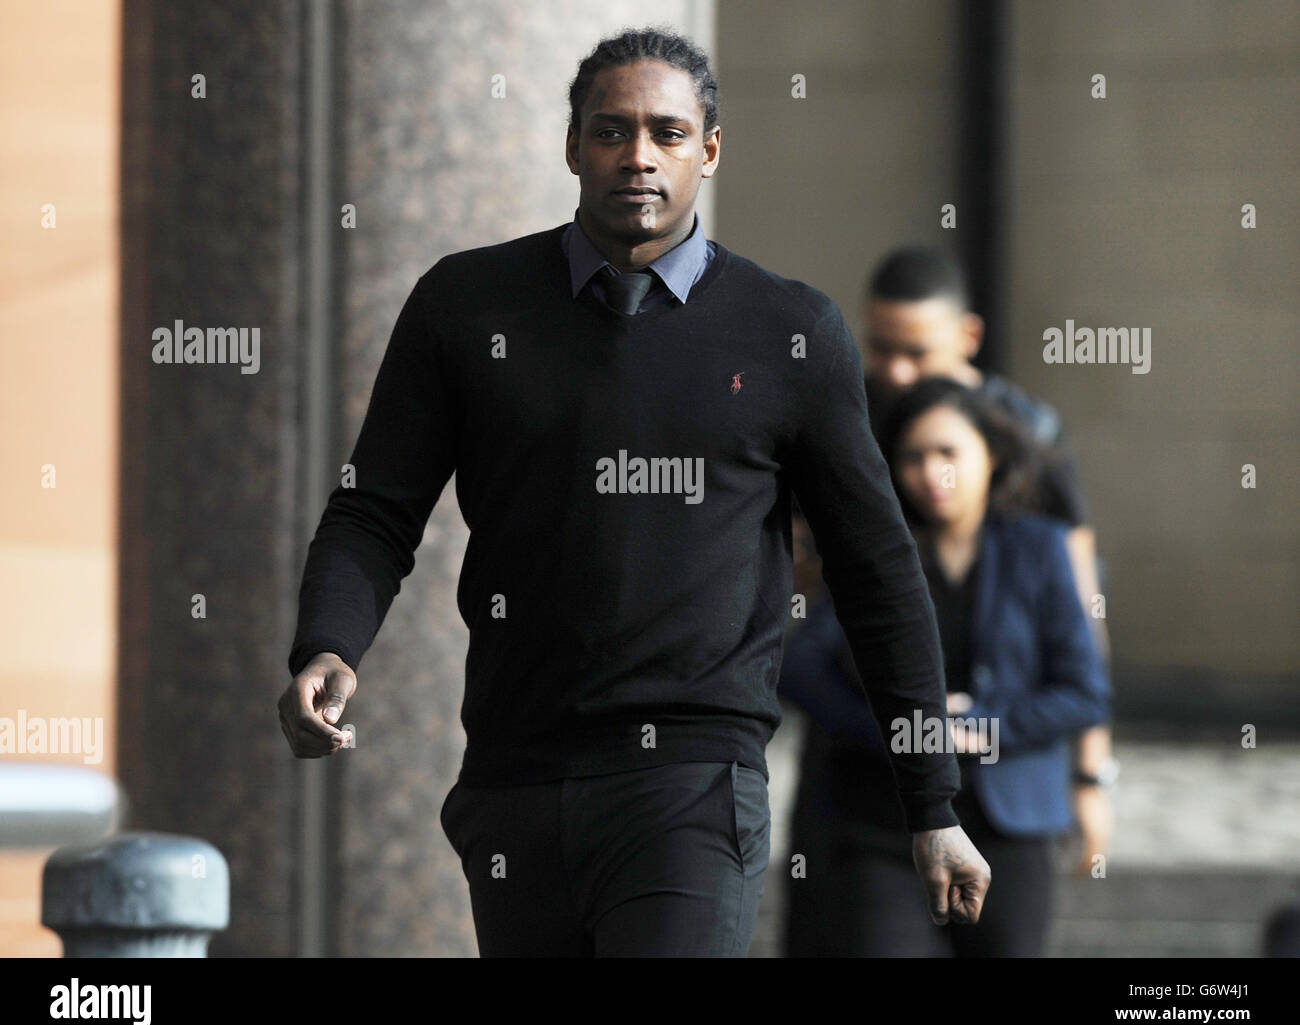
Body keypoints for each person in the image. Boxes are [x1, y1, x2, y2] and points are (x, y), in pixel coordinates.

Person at [276, 27, 989, 958]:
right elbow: (374, 508)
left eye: (668, 133)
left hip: (692, 788)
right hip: (514, 784)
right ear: (572, 147)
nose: (639, 156)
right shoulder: (467, 306)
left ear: (710, 150)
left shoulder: (789, 331)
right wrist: (329, 641)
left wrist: (930, 803)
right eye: (612, 132)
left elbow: (876, 570)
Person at [792, 246, 1117, 875]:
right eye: (881, 348)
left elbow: (1082, 608)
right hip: (857, 745)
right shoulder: (842, 415)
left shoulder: (1033, 433)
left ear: (968, 336)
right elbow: (803, 599)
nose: (898, 371)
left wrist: (1090, 774)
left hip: (1005, 762)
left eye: (918, 352)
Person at [784, 378, 1110, 956]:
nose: (933, 474)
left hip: (1011, 825)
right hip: (885, 825)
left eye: (949, 453)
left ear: (990, 454)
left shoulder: (1039, 547)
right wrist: (907, 731)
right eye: (913, 456)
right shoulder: (877, 548)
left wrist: (981, 727)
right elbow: (801, 667)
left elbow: (1083, 691)